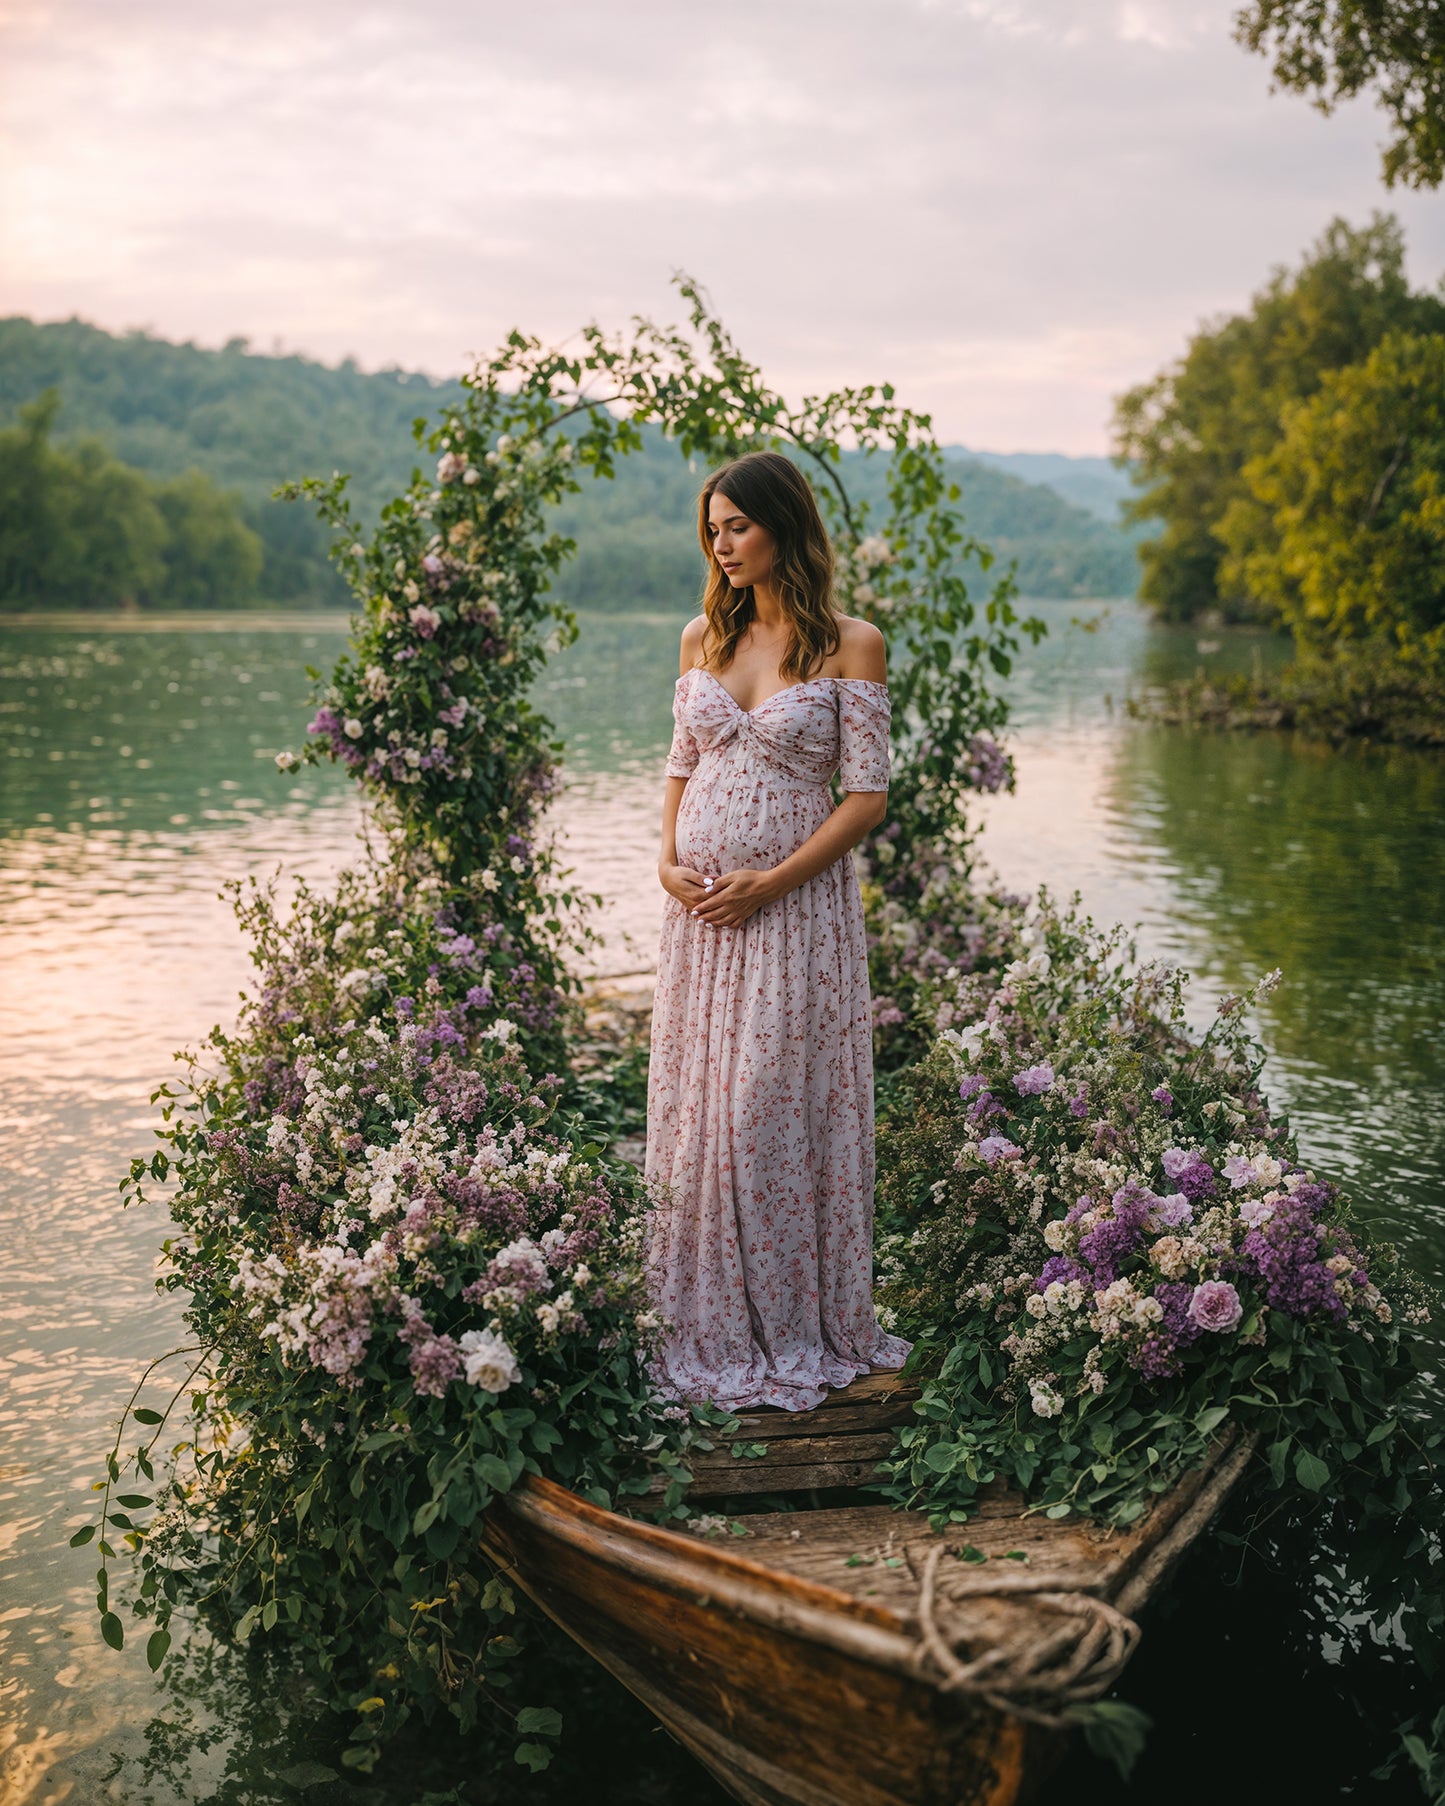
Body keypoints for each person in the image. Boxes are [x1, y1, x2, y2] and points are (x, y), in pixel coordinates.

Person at [643, 450, 912, 1412]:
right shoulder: (699, 639)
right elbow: (680, 764)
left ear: (783, 526)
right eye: (710, 529)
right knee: (704, 1107)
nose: (721, 545)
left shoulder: (852, 644)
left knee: (766, 1103)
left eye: (737, 526)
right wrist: (668, 861)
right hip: (702, 915)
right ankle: (707, 1321)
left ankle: (794, 1320)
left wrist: (773, 882)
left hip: (795, 910)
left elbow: (866, 797)